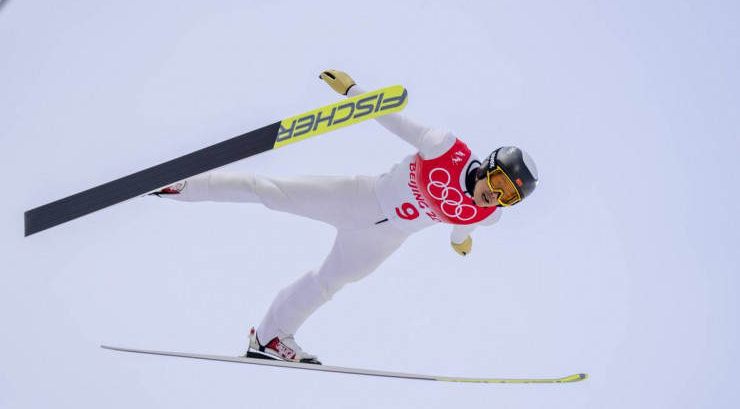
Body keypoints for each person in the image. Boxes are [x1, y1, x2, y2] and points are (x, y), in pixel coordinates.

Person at [153, 70, 538, 364]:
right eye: (501, 182)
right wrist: (354, 92)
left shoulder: (488, 213)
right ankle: (184, 185)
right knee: (270, 192)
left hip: (380, 241)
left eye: (509, 197)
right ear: (489, 165)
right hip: (360, 198)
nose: (497, 195)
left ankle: (270, 339)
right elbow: (394, 119)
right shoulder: (445, 147)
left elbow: (462, 223)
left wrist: (460, 243)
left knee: (328, 283)